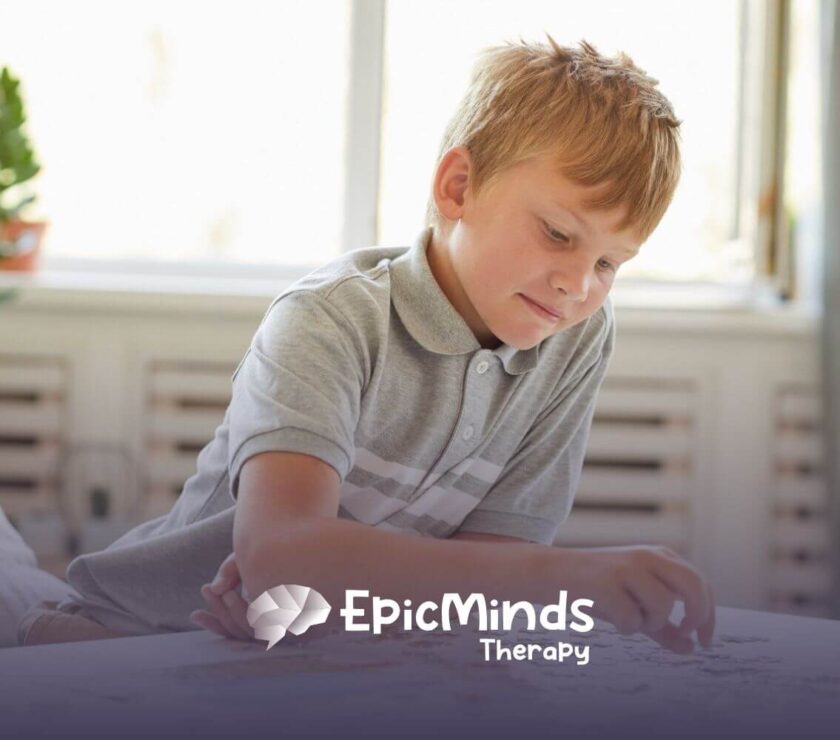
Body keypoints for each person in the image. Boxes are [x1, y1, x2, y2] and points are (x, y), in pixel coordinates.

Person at [16, 36, 714, 652]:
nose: (576, 286)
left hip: (305, 646)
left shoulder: (577, 338)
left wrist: (330, 606)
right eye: (559, 235)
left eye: (607, 264)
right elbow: (283, 559)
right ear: (458, 186)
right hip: (127, 632)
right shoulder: (328, 320)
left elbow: (487, 573)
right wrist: (575, 576)